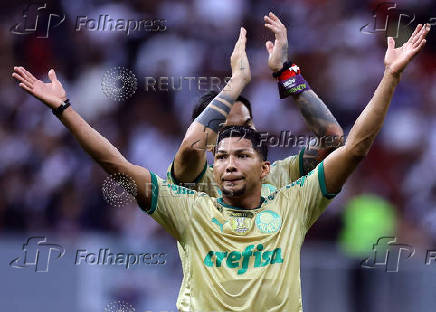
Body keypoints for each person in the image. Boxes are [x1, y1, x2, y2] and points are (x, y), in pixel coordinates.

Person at [12, 21, 430, 312]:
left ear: (263, 165)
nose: (232, 156)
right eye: (225, 147)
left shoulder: (287, 190)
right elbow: (121, 163)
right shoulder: (190, 193)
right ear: (212, 152)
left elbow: (343, 145)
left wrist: (288, 72)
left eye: (245, 141)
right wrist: (235, 83)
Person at [169, 12, 344, 198]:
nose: (243, 133)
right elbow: (190, 147)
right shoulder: (193, 181)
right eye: (229, 128)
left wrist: (286, 72)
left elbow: (333, 138)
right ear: (208, 140)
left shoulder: (279, 176)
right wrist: (237, 81)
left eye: (246, 124)